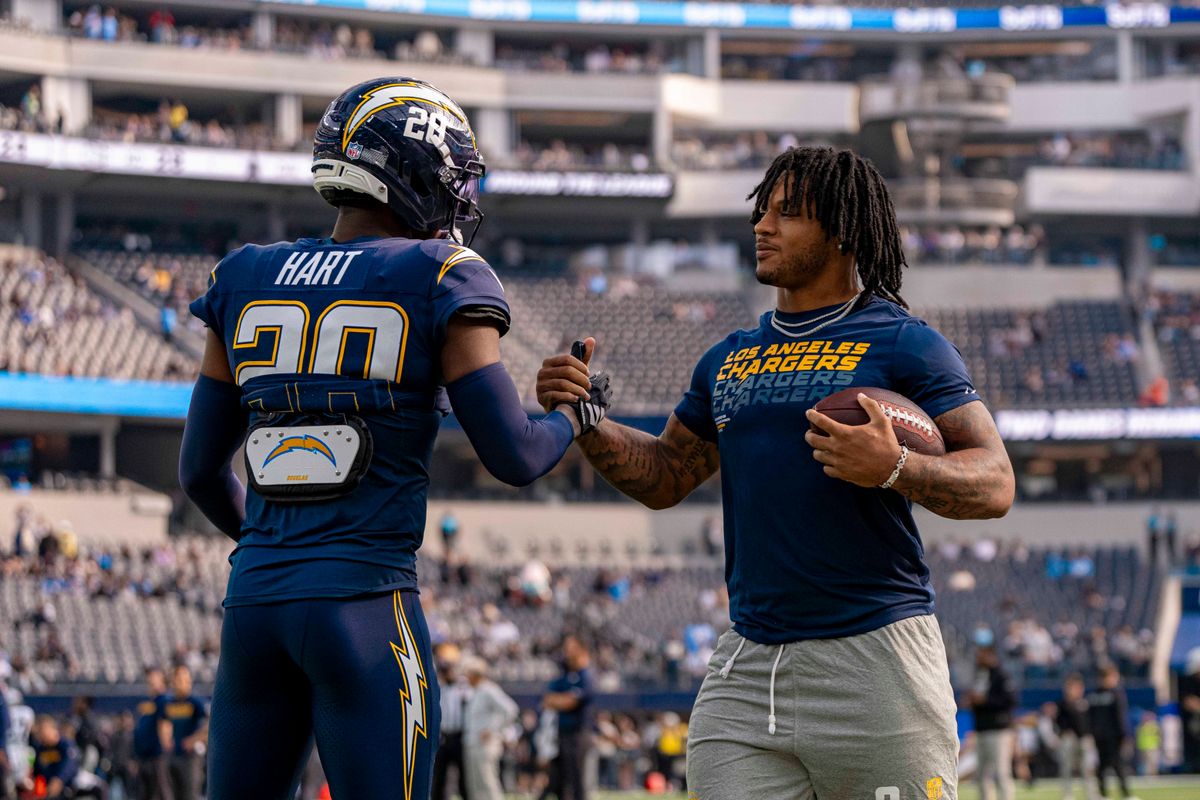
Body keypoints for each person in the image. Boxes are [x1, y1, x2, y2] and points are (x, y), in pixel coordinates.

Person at [536, 145, 1014, 799]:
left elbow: (995, 482)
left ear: (842, 230)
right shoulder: (727, 358)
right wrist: (587, 420)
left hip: (875, 655)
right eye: (762, 211)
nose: (762, 225)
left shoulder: (905, 342)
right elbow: (667, 474)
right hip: (748, 663)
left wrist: (895, 466)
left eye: (787, 213)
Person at [180, 77, 587, 800]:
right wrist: (573, 416)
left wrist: (282, 554)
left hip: (257, 608)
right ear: (417, 169)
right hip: (367, 608)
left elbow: (198, 473)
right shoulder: (442, 274)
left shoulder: (243, 274)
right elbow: (516, 455)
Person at [541, 636, 593, 800]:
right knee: (559, 778)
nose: (567, 652)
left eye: (571, 648)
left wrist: (559, 700)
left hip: (577, 733)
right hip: (561, 733)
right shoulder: (564, 675)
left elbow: (570, 702)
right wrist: (560, 700)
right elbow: (546, 700)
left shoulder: (586, 675)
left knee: (577, 778)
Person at [462, 657, 518, 800]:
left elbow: (510, 709)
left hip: (486, 745)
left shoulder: (489, 690)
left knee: (488, 781)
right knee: (474, 784)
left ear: (475, 674)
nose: (466, 677)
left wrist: (493, 729)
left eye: (468, 673)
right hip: (472, 743)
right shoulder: (473, 691)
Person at [969, 646, 1017, 800]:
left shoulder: (1002, 675)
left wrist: (985, 700)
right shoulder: (980, 675)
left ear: (990, 655)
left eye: (981, 655)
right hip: (981, 729)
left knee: (1002, 772)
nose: (978, 658)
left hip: (999, 730)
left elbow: (1011, 701)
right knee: (982, 774)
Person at [1088, 665, 1138, 800]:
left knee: (1108, 765)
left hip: (1104, 736)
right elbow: (1120, 717)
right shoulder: (1115, 694)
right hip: (1111, 736)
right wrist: (1125, 735)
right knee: (1114, 765)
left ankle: (1106, 793)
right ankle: (1122, 794)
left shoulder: (1094, 695)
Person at [160, 665, 206, 800]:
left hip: (191, 758)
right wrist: (165, 740)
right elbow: (164, 722)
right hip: (173, 755)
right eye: (176, 678)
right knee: (173, 794)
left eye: (182, 678)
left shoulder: (196, 703)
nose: (178, 682)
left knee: (190, 795)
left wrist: (193, 740)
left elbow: (209, 726)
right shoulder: (170, 703)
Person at [434, 649, 472, 800]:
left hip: (458, 736)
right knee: (440, 775)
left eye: (449, 670)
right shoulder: (439, 687)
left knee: (463, 774)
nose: (448, 674)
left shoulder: (463, 687)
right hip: (443, 736)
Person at [1057, 673, 1099, 800]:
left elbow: (1090, 722)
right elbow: (1060, 723)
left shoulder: (1085, 703)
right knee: (1066, 768)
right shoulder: (1063, 704)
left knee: (1087, 769)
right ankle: (1067, 794)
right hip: (1068, 739)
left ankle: (1091, 794)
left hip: (1084, 739)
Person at [132, 667, 169, 800]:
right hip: (144, 758)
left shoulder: (165, 700)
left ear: (162, 679)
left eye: (154, 677)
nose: (150, 680)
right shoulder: (149, 703)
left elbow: (165, 726)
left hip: (157, 757)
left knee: (161, 793)